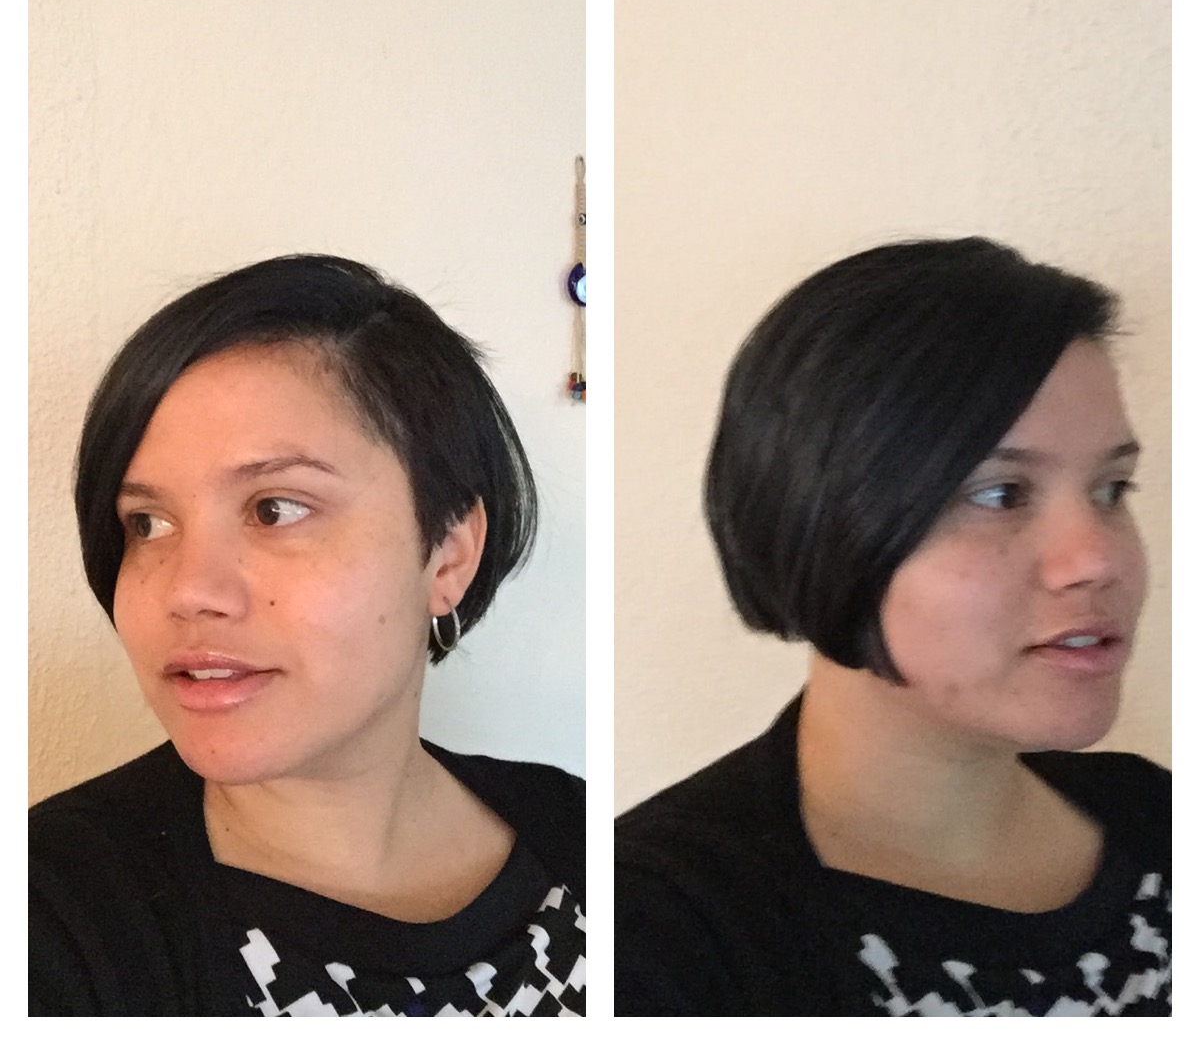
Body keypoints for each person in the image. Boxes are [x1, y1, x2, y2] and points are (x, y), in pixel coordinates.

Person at [615, 237, 1169, 1017]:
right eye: (1001, 494)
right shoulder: (659, 937)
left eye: (1112, 488)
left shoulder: (1157, 819)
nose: (1097, 560)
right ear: (824, 521)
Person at [30, 254, 585, 1017]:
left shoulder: (587, 841)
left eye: (276, 509)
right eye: (147, 524)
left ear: (449, 553)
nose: (189, 591)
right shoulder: (52, 918)